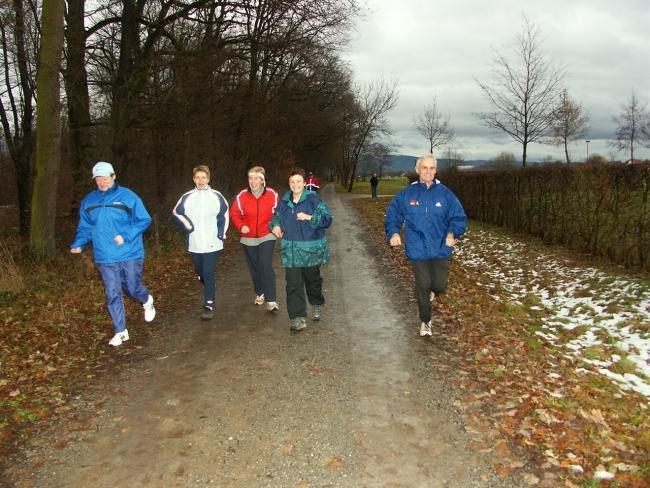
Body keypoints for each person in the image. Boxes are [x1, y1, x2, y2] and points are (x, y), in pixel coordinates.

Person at [70, 161, 156, 347]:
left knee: (132, 287)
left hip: (130, 251)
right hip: (105, 255)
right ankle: (121, 331)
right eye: (98, 179)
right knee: (112, 293)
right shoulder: (89, 201)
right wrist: (79, 243)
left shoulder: (128, 196)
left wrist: (125, 236)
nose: (102, 182)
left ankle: (147, 300)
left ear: (113, 176)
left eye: (105, 178)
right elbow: (85, 227)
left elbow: (144, 220)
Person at [384, 154, 467, 337]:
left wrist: (453, 233)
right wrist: (394, 232)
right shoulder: (406, 195)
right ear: (417, 170)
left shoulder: (445, 194)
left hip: (441, 247)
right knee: (423, 284)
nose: (428, 172)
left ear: (435, 171)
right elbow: (393, 216)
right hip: (417, 247)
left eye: (432, 168)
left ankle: (432, 291)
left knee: (439, 285)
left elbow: (458, 217)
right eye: (424, 168)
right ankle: (426, 321)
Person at [270, 167, 333, 332]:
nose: (295, 184)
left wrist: (310, 217)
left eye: (298, 181)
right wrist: (275, 225)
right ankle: (298, 317)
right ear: (289, 183)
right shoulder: (284, 202)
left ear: (304, 183)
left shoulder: (313, 200)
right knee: (293, 284)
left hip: (311, 250)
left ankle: (317, 303)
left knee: (312, 280)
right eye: (292, 182)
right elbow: (276, 217)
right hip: (291, 251)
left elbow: (327, 219)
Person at [172, 165, 229, 320]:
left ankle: (208, 304)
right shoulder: (187, 196)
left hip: (212, 242)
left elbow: (224, 214)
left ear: (208, 178)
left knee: (209, 272)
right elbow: (176, 212)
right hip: (195, 242)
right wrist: (189, 227)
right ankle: (205, 280)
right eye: (198, 177)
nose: (201, 180)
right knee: (200, 271)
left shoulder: (216, 196)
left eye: (204, 177)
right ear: (193, 179)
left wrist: (221, 233)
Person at [230, 166, 280, 311]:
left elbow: (278, 213)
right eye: (250, 178)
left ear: (263, 180)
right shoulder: (242, 196)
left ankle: (271, 300)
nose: (253, 181)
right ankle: (260, 292)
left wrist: (276, 226)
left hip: (267, 234)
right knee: (255, 268)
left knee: (265, 265)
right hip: (248, 237)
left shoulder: (272, 194)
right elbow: (234, 214)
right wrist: (241, 226)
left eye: (256, 178)